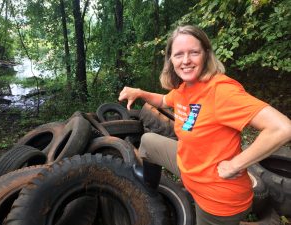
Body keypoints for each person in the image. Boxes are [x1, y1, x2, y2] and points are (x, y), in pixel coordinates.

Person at [118, 25, 291, 225]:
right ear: (170, 60)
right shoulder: (185, 88)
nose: (186, 60)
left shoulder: (221, 91)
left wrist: (235, 165)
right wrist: (139, 93)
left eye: (194, 52)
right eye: (178, 54)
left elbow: (282, 128)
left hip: (216, 200)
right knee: (148, 141)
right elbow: (165, 100)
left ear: (206, 55)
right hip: (191, 165)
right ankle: (149, 190)